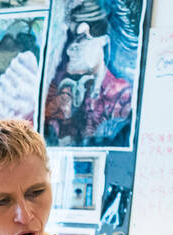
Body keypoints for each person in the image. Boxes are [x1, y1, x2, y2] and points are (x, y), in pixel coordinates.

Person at [42, 0, 135, 148]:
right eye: (71, 41)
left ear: (103, 42)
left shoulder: (120, 95)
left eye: (82, 39)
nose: (70, 50)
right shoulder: (58, 89)